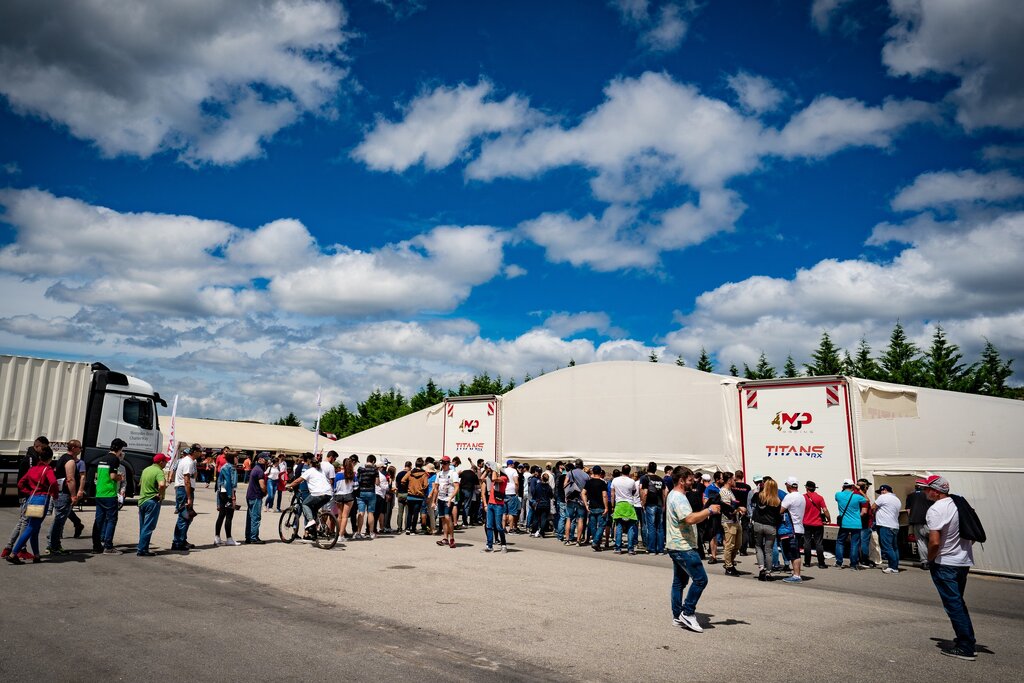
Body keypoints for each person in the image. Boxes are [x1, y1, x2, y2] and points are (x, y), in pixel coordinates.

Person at [920, 474, 978, 661]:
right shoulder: (959, 504)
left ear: (935, 491)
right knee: (958, 602)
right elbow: (972, 533)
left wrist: (929, 560)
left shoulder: (936, 510)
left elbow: (934, 542)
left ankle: (965, 646)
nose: (924, 492)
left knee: (953, 605)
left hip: (945, 563)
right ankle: (966, 639)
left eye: (926, 489)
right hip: (962, 561)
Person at [666, 466, 720, 633]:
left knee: (679, 582)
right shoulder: (679, 498)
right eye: (690, 480)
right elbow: (689, 519)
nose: (693, 482)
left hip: (676, 545)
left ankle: (677, 615)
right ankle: (687, 613)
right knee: (701, 580)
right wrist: (709, 510)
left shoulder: (674, 495)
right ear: (681, 481)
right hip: (684, 546)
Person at [6, 446, 59, 564]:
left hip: (32, 498)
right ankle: (14, 553)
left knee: (35, 527)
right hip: (42, 500)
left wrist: (28, 491)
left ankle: (36, 555)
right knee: (32, 527)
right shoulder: (48, 469)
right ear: (50, 458)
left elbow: (20, 483)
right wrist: (55, 495)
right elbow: (54, 483)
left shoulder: (33, 469)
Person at [46, 439, 84, 555]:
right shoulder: (70, 461)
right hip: (64, 494)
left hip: (60, 492)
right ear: (73, 448)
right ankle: (54, 546)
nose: (81, 449)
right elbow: (70, 479)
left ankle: (52, 544)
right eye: (79, 447)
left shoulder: (63, 458)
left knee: (58, 519)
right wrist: (73, 495)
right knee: (59, 521)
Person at [92, 438, 126, 555]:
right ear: (119, 449)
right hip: (109, 493)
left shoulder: (102, 459)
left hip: (99, 492)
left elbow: (97, 475)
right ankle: (108, 546)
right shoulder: (114, 459)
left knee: (99, 520)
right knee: (111, 520)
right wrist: (120, 477)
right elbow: (112, 476)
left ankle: (96, 546)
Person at [287, 454, 333, 533]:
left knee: (305, 504)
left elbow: (297, 480)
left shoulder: (310, 471)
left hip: (318, 493)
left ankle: (311, 521)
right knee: (314, 508)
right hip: (328, 493)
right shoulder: (320, 470)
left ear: (310, 463)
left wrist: (288, 486)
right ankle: (313, 530)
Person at [136, 453, 169, 556]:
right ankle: (142, 550)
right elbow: (162, 485)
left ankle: (143, 547)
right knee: (149, 526)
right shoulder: (159, 471)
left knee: (143, 526)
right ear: (160, 462)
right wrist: (160, 494)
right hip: (152, 501)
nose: (166, 463)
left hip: (142, 500)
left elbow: (140, 483)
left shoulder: (146, 469)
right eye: (165, 461)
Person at [750, 477, 782, 581]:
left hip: (758, 524)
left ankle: (761, 569)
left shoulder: (758, 496)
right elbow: (779, 516)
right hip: (770, 526)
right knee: (768, 550)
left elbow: (752, 502)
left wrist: (759, 490)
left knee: (758, 546)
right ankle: (769, 572)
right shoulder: (777, 501)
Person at [834, 479, 867, 569]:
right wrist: (859, 489)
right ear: (852, 486)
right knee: (854, 543)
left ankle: (839, 562)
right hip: (856, 523)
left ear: (843, 486)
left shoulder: (838, 495)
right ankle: (853, 564)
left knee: (840, 542)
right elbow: (867, 500)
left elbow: (839, 496)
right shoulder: (857, 496)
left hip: (844, 523)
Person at [171, 445, 198, 551]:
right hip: (184, 490)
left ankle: (182, 540)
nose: (201, 453)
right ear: (194, 451)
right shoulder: (188, 462)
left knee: (188, 517)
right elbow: (186, 480)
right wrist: (189, 497)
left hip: (183, 490)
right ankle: (177, 542)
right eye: (200, 451)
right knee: (184, 517)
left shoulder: (188, 461)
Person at [779, 477, 806, 583]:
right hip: (799, 527)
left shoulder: (789, 497)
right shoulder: (801, 496)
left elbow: (781, 510)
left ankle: (796, 575)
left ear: (788, 485)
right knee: (796, 553)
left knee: (792, 552)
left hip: (791, 529)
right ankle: (797, 574)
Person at [718, 472, 745, 576]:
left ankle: (730, 564)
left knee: (737, 544)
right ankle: (729, 566)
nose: (735, 481)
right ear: (729, 480)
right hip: (728, 522)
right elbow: (728, 510)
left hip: (735, 521)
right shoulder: (724, 492)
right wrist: (739, 508)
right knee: (730, 545)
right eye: (733, 479)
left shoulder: (730, 491)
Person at [610, 465, 640, 555]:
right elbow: (634, 492)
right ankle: (630, 549)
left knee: (618, 526)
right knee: (631, 527)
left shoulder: (615, 480)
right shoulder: (632, 481)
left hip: (619, 504)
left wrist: (612, 505)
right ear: (629, 471)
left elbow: (612, 494)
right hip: (629, 504)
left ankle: (617, 548)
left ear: (621, 471)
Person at [431, 455, 460, 548]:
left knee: (448, 517)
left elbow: (457, 487)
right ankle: (445, 538)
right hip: (441, 498)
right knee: (443, 518)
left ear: (448, 463)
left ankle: (452, 538)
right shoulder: (439, 474)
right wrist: (433, 501)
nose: (442, 465)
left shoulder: (453, 473)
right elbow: (436, 488)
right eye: (441, 463)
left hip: (448, 499)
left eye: (444, 463)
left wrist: (451, 498)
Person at [802, 481, 830, 569]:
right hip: (818, 523)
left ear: (806, 488)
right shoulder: (820, 498)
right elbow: (825, 510)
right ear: (814, 488)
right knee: (819, 543)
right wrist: (828, 519)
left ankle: (807, 562)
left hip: (806, 522)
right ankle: (821, 563)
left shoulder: (803, 497)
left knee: (807, 542)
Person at [641, 461, 666, 556]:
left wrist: (643, 503)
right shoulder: (660, 479)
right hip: (659, 504)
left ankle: (652, 549)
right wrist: (663, 505)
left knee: (651, 526)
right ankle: (660, 549)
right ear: (656, 469)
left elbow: (645, 492)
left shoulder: (645, 478)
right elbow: (663, 493)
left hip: (650, 504)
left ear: (648, 468)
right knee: (659, 526)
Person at [481, 463, 508, 553]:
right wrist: (487, 470)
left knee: (499, 526)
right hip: (491, 503)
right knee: (489, 525)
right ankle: (489, 546)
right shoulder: (492, 476)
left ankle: (503, 544)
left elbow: (494, 479)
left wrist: (494, 469)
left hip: (498, 505)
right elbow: (481, 478)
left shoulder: (504, 478)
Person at [905, 484, 934, 568]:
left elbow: (908, 510)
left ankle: (925, 562)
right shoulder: (930, 495)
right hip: (930, 521)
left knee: (921, 542)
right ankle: (935, 560)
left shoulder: (910, 496)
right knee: (934, 540)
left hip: (916, 521)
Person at [563, 459, 590, 546]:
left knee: (568, 518)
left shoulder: (570, 473)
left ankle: (567, 540)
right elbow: (587, 489)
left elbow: (564, 484)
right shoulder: (586, 475)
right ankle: (578, 540)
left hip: (571, 498)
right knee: (581, 519)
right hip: (581, 499)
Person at [214, 452, 239, 546]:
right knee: (229, 515)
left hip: (224, 492)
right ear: (233, 458)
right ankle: (229, 538)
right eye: (236, 457)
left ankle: (217, 537)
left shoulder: (226, 467)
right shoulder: (229, 467)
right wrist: (231, 496)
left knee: (222, 515)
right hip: (227, 493)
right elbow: (228, 482)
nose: (237, 459)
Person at [582, 466, 609, 550]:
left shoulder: (589, 482)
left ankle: (595, 542)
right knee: (601, 525)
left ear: (593, 472)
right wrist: (606, 507)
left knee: (593, 526)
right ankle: (595, 541)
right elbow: (604, 495)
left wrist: (586, 504)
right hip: (600, 506)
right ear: (600, 472)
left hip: (591, 506)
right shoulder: (602, 483)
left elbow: (583, 493)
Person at [245, 453, 268, 544]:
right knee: (256, 517)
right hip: (255, 496)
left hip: (250, 495)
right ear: (259, 459)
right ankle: (254, 538)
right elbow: (262, 485)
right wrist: (265, 492)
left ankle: (248, 537)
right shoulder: (259, 471)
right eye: (265, 459)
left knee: (250, 517)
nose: (266, 461)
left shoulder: (255, 468)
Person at [355, 454, 379, 540]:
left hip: (361, 492)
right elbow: (377, 483)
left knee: (361, 512)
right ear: (373, 461)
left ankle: (358, 533)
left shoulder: (360, 469)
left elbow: (357, 480)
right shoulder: (375, 470)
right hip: (371, 492)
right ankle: (371, 533)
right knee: (370, 513)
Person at [333, 456, 356, 539]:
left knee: (339, 516)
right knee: (345, 516)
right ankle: (341, 535)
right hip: (348, 495)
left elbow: (334, 488)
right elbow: (356, 487)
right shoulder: (353, 474)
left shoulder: (337, 475)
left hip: (338, 495)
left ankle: (338, 533)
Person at [404, 459, 429, 535]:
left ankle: (408, 528)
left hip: (410, 496)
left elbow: (403, 480)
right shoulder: (424, 474)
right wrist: (421, 489)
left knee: (409, 513)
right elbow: (426, 485)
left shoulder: (410, 472)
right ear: (422, 465)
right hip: (419, 496)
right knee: (416, 513)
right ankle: (413, 529)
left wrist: (409, 486)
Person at [702, 473, 721, 563]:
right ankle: (713, 556)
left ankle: (729, 559)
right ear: (717, 479)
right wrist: (707, 513)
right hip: (714, 515)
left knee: (725, 537)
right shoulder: (710, 488)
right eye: (721, 478)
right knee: (713, 536)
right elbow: (705, 500)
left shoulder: (724, 488)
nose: (723, 480)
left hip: (725, 516)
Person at [732, 471, 752, 556]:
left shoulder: (733, 486)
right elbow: (749, 499)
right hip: (744, 510)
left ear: (735, 477)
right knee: (744, 530)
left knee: (733, 529)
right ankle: (743, 550)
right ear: (743, 477)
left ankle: (734, 549)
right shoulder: (747, 487)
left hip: (734, 510)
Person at [530, 470, 554, 537]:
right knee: (544, 518)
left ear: (541, 478)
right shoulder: (549, 487)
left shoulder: (538, 486)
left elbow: (534, 494)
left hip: (539, 503)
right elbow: (551, 496)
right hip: (546, 504)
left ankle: (534, 531)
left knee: (536, 518)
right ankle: (542, 532)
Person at [502, 460, 521, 534]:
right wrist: (516, 491)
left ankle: (503, 528)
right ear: (512, 465)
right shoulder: (514, 471)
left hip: (504, 492)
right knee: (511, 512)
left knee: (504, 512)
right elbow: (516, 482)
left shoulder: (503, 470)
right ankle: (510, 528)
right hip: (512, 492)